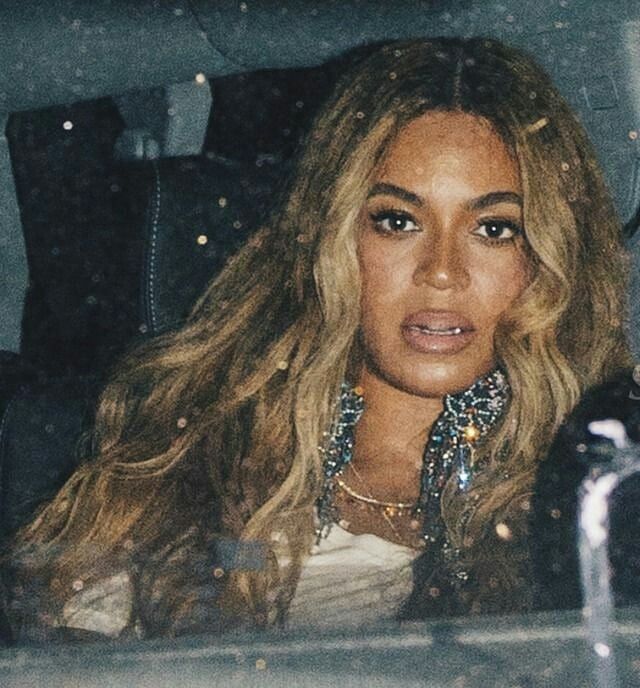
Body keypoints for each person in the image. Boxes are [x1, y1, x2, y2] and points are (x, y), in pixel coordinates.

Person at [4, 36, 632, 640]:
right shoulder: (190, 456)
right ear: (334, 238)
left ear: (545, 256)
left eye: (494, 229)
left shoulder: (597, 489)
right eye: (397, 220)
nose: (442, 270)